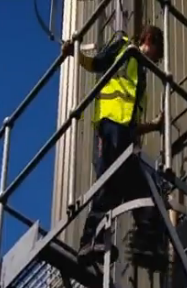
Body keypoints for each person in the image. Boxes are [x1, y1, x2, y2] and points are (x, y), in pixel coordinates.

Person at [61, 25, 165, 265]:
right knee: (115, 182)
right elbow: (98, 63)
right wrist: (74, 53)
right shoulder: (124, 46)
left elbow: (133, 121)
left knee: (130, 187)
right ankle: (95, 241)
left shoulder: (140, 77)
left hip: (124, 133)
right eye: (156, 54)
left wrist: (154, 125)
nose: (155, 61)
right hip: (110, 125)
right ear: (148, 39)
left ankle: (145, 245)